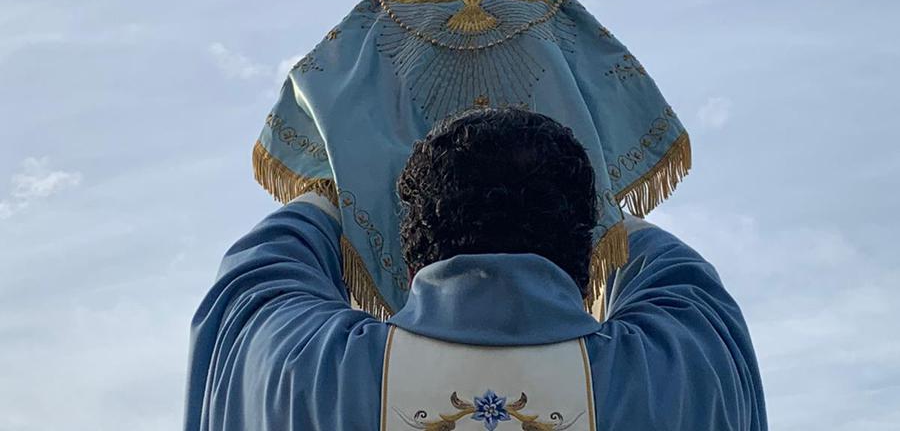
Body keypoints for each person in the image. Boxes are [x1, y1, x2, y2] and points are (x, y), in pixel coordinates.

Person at [184, 108, 767, 430]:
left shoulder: (308, 368)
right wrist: (613, 211)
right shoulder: (673, 370)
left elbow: (254, 285)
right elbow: (686, 284)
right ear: (587, 250)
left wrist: (333, 193)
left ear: (411, 244)